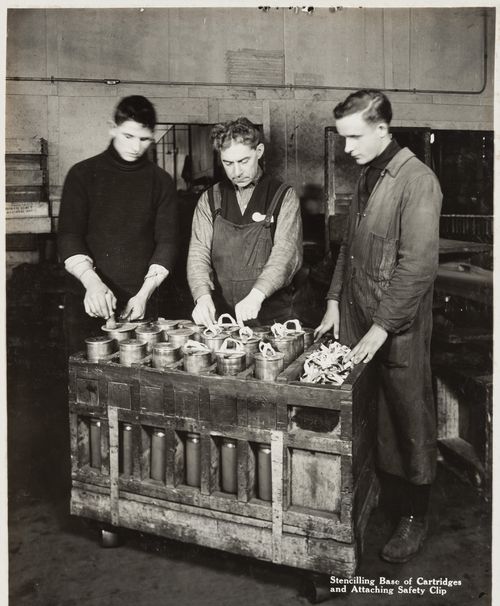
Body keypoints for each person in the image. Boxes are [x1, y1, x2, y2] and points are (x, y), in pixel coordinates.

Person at [315, 90, 442, 564]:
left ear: (382, 129)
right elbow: (348, 249)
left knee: (409, 417)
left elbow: (417, 267)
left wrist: (383, 327)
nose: (346, 149)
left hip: (398, 327)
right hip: (356, 316)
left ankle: (415, 518)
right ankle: (379, 499)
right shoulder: (368, 176)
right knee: (369, 417)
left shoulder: (417, 182)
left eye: (353, 137)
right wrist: (332, 301)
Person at [57, 95, 178, 354]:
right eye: (128, 136)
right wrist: (91, 283)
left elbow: (167, 241)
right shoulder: (82, 175)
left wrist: (145, 294)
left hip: (141, 304)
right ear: (112, 127)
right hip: (87, 300)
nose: (136, 147)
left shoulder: (161, 182)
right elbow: (69, 235)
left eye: (144, 139)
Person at [187, 117, 302, 328]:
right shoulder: (210, 199)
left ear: (259, 152)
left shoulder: (283, 195)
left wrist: (257, 294)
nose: (236, 172)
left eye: (243, 161)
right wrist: (202, 296)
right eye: (228, 163)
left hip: (272, 314)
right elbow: (198, 252)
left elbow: (286, 253)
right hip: (224, 315)